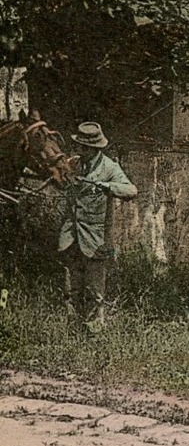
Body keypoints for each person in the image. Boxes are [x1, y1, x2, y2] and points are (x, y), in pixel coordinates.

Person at [57, 121, 137, 332]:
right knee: (70, 289)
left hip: (95, 240)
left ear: (94, 148)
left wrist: (108, 186)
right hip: (70, 236)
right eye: (78, 146)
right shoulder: (73, 163)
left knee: (95, 291)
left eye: (83, 147)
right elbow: (53, 173)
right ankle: (72, 331)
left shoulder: (109, 167)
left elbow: (131, 190)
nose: (79, 151)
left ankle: (94, 332)